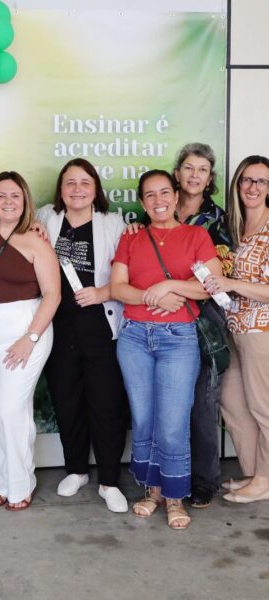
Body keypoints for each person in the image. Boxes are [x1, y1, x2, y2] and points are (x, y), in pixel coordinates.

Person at [110, 169, 222, 530]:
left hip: (178, 339)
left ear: (175, 196)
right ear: (143, 203)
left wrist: (169, 286)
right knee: (144, 420)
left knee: (172, 424)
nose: (158, 201)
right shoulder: (132, 238)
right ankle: (153, 491)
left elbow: (210, 285)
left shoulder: (196, 235)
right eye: (150, 195)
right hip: (134, 338)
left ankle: (175, 497)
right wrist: (152, 296)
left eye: (164, 193)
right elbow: (117, 287)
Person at [0, 171, 60, 511]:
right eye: (1, 195)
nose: (8, 201)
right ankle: (1, 483)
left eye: (15, 196)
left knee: (9, 409)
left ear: (25, 202)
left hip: (22, 331)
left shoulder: (36, 241)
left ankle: (21, 484)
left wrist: (29, 338)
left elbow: (53, 295)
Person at [36, 158, 129, 513]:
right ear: (60, 189)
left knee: (106, 404)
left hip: (100, 324)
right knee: (67, 400)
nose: (77, 189)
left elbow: (128, 270)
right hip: (58, 325)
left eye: (85, 182)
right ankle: (76, 470)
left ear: (95, 189)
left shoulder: (114, 224)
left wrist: (102, 292)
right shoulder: (46, 219)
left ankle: (109, 481)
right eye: (70, 182)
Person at [205, 155, 269, 503]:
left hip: (261, 331)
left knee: (263, 406)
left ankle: (265, 481)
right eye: (247, 179)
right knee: (232, 403)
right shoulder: (233, 226)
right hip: (233, 327)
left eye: (261, 181)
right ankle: (254, 472)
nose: (253, 187)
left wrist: (231, 283)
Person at [172, 143, 233, 508]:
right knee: (170, 399)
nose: (195, 175)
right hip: (164, 312)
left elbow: (221, 273)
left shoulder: (218, 219)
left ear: (210, 179)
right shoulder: (160, 208)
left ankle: (205, 480)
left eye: (202, 170)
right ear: (177, 173)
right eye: (189, 168)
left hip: (204, 314)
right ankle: (170, 476)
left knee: (202, 399)